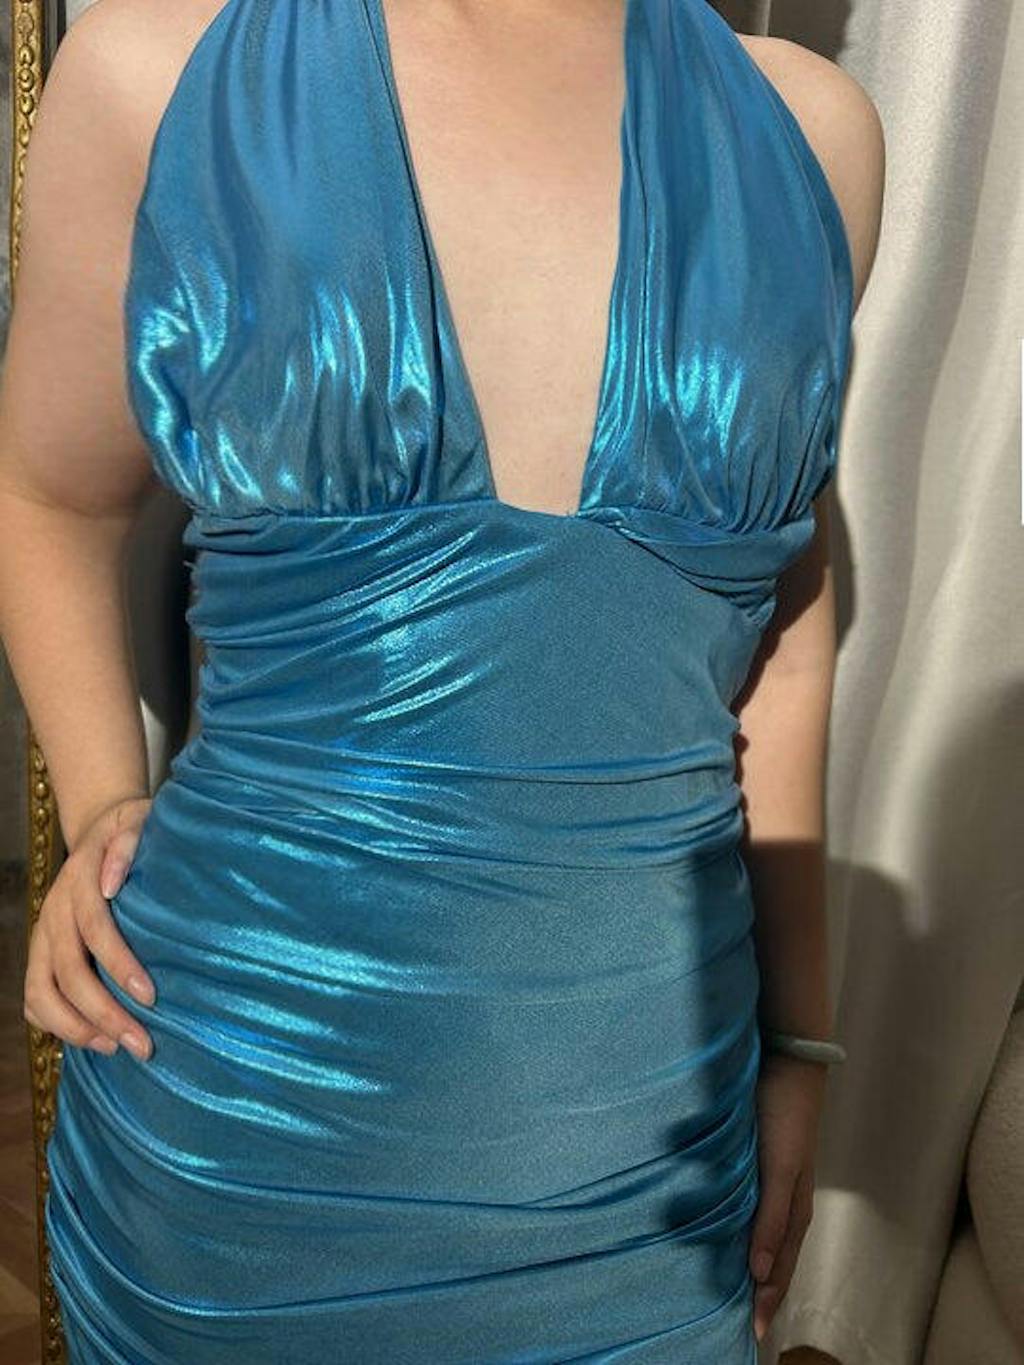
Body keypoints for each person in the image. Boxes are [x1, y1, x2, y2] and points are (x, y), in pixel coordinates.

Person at [0, 0, 884, 1359]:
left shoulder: (812, 135)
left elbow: (784, 632)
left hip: (650, 1144)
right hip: (237, 1130)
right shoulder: (157, 75)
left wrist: (800, 1042)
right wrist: (105, 797)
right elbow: (45, 495)